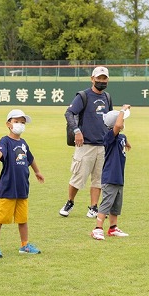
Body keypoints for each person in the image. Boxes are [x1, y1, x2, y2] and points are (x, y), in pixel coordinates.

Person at [0, 109, 44, 258]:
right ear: (8, 124)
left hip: (22, 187)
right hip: (8, 187)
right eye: (16, 121)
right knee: (0, 218)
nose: (20, 125)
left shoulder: (23, 143)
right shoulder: (5, 141)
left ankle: (24, 245)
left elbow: (30, 158)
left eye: (22, 122)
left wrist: (37, 172)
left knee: (23, 219)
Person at [60, 66, 113, 218]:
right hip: (86, 145)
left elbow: (109, 119)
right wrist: (77, 131)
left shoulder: (107, 97)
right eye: (99, 78)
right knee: (78, 177)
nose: (101, 81)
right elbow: (69, 113)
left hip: (102, 146)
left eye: (104, 78)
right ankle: (70, 202)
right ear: (92, 79)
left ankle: (94, 207)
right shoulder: (83, 96)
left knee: (98, 179)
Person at [91, 105, 132, 240]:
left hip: (119, 176)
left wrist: (127, 143)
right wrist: (122, 110)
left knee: (116, 204)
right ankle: (97, 228)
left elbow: (122, 136)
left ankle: (113, 228)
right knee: (107, 203)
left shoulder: (121, 137)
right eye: (121, 121)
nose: (123, 123)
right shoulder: (109, 137)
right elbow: (118, 125)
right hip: (110, 176)